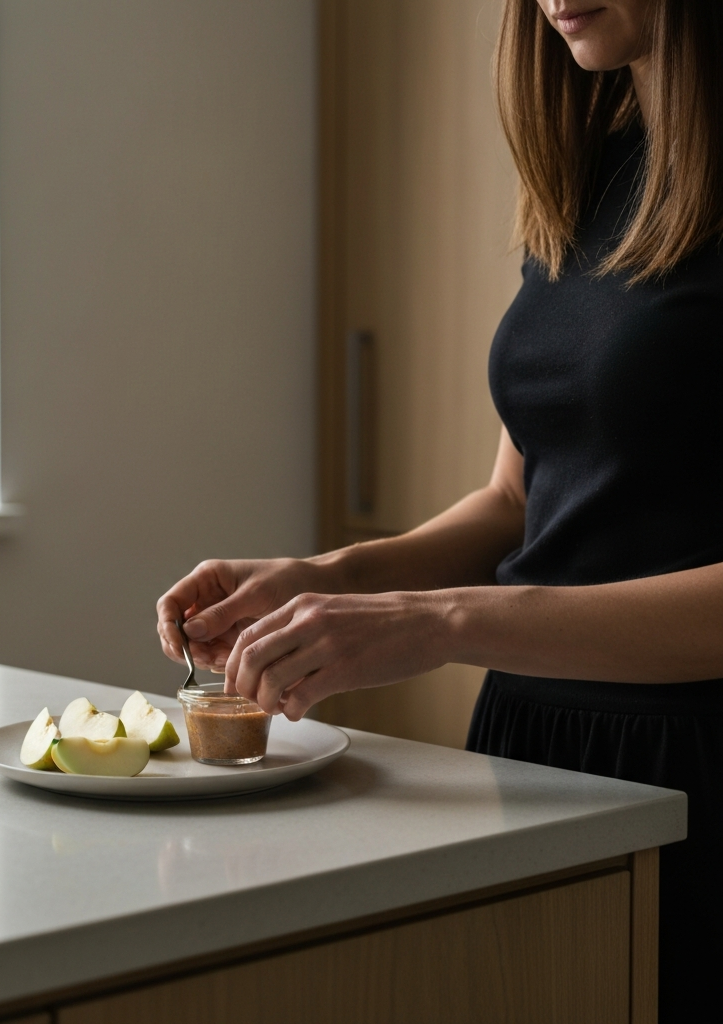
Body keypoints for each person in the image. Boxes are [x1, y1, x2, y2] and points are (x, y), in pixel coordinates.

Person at [156, 1, 723, 1019]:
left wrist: (440, 621)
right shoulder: (594, 166)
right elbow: (516, 497)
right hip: (533, 744)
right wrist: (324, 577)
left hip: (695, 762)